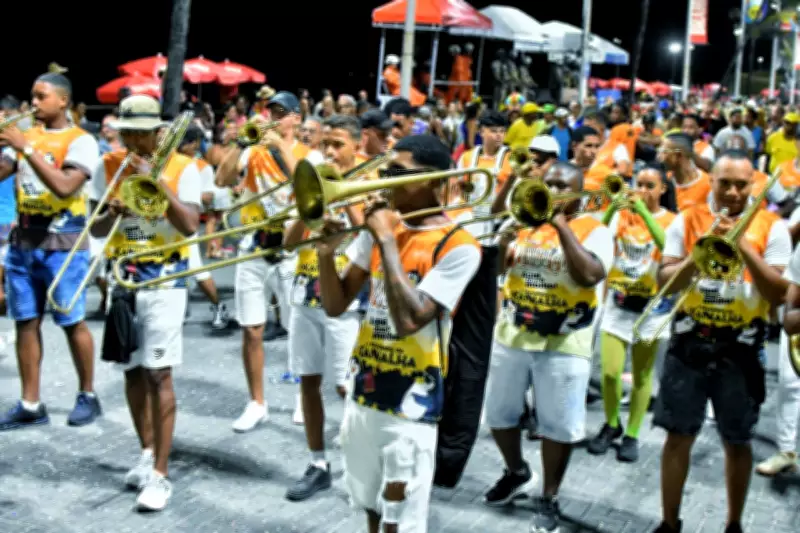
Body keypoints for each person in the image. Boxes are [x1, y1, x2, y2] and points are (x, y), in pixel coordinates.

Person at [317, 135, 481, 533]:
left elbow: (412, 320)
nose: (384, 180)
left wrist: (387, 240)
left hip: (412, 405)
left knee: (400, 519)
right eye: (385, 170)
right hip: (364, 390)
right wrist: (325, 253)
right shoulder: (379, 230)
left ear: (434, 179)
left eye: (397, 172)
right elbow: (335, 305)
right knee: (370, 508)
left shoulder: (460, 246)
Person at [652, 151, 791, 533]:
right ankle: (669, 523)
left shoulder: (772, 227)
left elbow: (779, 293)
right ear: (710, 181)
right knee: (678, 436)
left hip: (742, 348)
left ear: (753, 184)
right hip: (689, 342)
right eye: (724, 183)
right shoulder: (687, 219)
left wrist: (743, 245)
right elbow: (664, 283)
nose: (732, 192)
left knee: (737, 439)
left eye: (741, 185)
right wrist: (698, 254)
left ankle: (733, 523)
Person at [484, 162, 613, 533]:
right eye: (549, 184)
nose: (553, 191)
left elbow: (589, 275)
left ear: (579, 194)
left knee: (558, 424)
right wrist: (503, 243)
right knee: (498, 414)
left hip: (565, 340)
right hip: (513, 332)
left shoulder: (595, 230)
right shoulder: (524, 222)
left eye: (562, 186)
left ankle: (549, 496)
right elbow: (498, 272)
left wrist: (560, 226)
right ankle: (516, 471)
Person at [89, 95, 201, 511]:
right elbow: (95, 227)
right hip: (124, 279)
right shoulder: (108, 165)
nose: (134, 142)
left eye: (142, 133)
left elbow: (189, 225)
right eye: (128, 134)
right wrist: (113, 213)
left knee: (159, 374)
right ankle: (146, 452)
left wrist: (156, 183)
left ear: (158, 132)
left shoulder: (183, 167)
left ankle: (161, 475)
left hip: (165, 277)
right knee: (132, 372)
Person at [0, 69, 101, 430]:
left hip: (64, 243)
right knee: (25, 321)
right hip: (24, 240)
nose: (34, 103)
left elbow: (64, 186)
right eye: (33, 96)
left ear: (63, 101)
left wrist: (25, 149)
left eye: (41, 97)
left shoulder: (81, 141)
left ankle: (87, 394)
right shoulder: (26, 136)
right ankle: (31, 403)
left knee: (71, 321)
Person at [215, 91, 314, 433]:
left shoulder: (308, 154)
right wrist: (240, 143)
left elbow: (309, 187)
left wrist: (281, 148)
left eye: (282, 113)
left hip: (292, 249)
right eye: (272, 113)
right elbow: (222, 180)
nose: (274, 119)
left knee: (298, 328)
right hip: (254, 244)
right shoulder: (253, 152)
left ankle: (303, 397)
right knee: (251, 328)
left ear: (296, 119)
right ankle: (257, 403)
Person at [283, 115, 366, 501]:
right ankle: (318, 463)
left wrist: (343, 196)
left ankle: (359, 465)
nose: (330, 151)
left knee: (347, 386)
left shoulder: (368, 183)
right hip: (305, 293)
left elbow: (369, 234)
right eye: (326, 144)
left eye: (338, 144)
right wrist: (308, 204)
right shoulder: (310, 180)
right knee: (308, 380)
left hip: (346, 300)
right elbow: (288, 243)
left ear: (356, 145)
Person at [587, 165, 676, 463]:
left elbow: (667, 247)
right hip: (618, 302)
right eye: (640, 184)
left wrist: (645, 214)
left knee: (642, 375)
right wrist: (613, 208)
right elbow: (597, 236)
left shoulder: (671, 220)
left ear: (663, 189)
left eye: (650, 185)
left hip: (651, 308)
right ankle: (611, 424)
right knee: (609, 372)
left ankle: (633, 433)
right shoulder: (622, 216)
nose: (643, 190)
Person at [176, 125, 229, 330]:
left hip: (186, 224)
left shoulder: (202, 167)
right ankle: (180, 309)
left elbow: (208, 197)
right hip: (166, 223)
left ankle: (218, 306)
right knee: (171, 271)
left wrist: (183, 197)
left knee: (196, 270)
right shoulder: (168, 162)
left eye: (186, 142)